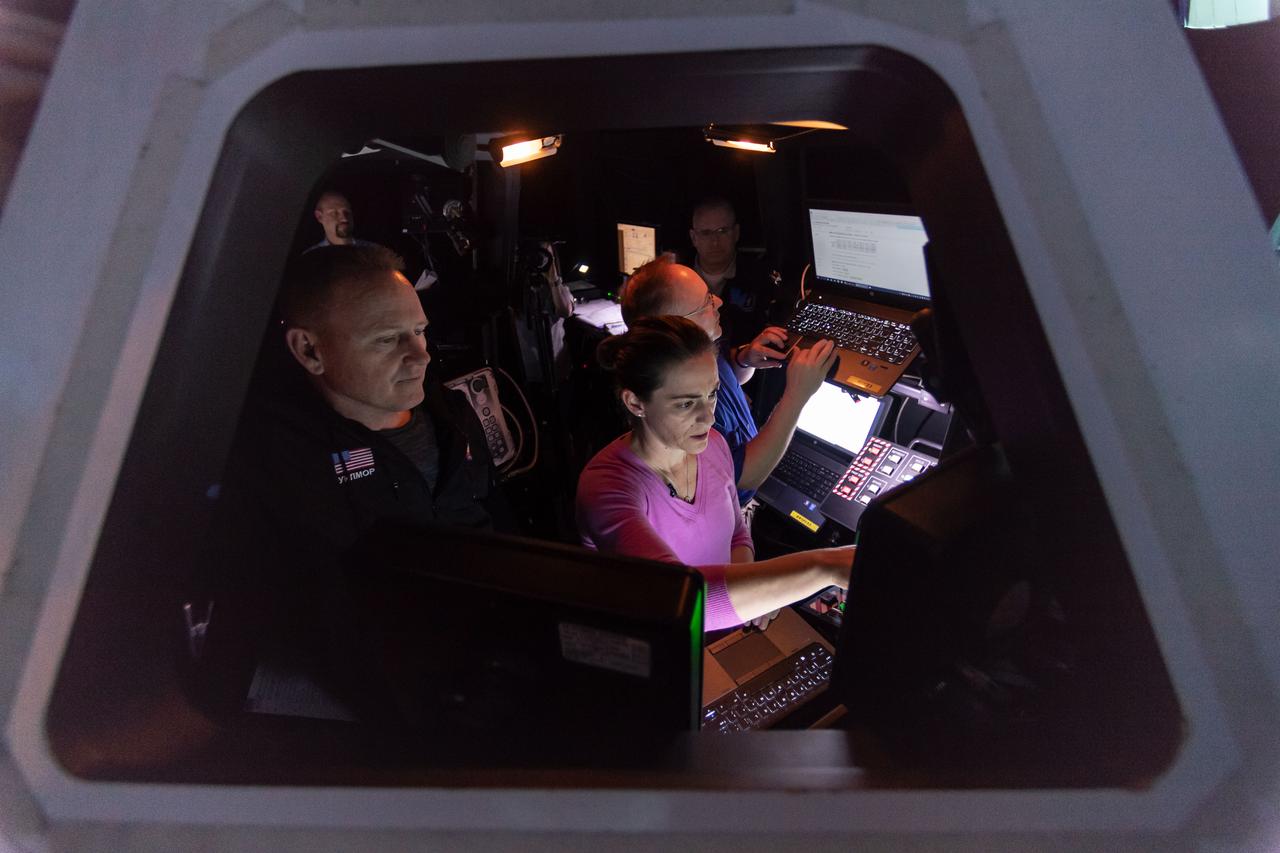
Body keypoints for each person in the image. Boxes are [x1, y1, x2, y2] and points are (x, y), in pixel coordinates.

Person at [195, 244, 497, 719]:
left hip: (483, 659)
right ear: (309, 350)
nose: (420, 357)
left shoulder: (453, 414)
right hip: (379, 706)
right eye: (386, 340)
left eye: (419, 332)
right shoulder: (272, 462)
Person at [575, 316, 854, 630]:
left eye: (712, 394)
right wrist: (825, 565)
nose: (708, 418)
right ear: (635, 402)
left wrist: (751, 595)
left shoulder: (713, 446)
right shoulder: (606, 486)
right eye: (685, 404)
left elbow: (736, 533)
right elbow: (677, 599)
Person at [620, 256, 836, 504]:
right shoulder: (678, 408)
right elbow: (745, 475)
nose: (719, 302)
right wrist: (797, 394)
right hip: (732, 507)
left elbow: (729, 374)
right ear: (675, 327)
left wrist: (744, 359)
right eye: (706, 303)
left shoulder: (704, 349)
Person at [686, 197, 785, 349]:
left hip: (742, 366)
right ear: (694, 238)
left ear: (736, 233)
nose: (715, 241)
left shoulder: (760, 278)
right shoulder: (676, 280)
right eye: (706, 233)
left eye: (722, 231)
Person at [304, 190, 378, 252]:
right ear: (319, 216)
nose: (344, 218)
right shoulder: (311, 257)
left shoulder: (374, 252)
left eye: (347, 212)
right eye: (334, 213)